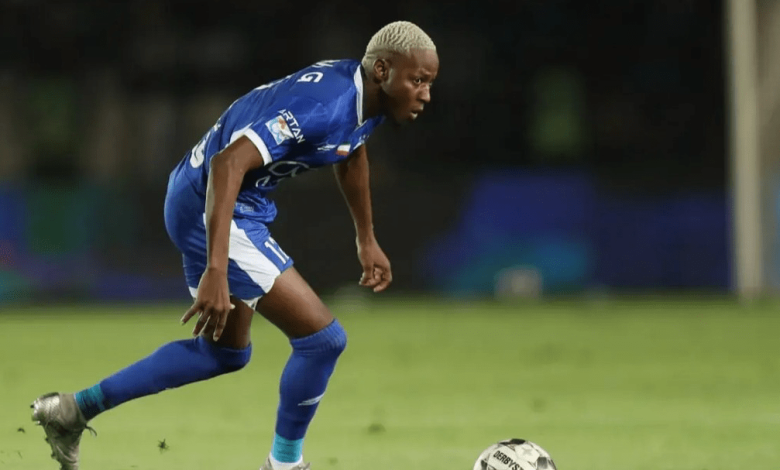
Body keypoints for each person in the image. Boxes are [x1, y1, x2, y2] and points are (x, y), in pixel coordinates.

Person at [31, 20, 439, 470]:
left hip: (212, 197)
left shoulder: (363, 99)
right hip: (209, 202)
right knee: (323, 341)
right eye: (418, 80)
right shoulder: (323, 105)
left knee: (224, 354)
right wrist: (217, 268)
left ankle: (73, 411)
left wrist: (366, 236)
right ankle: (285, 465)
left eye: (429, 83)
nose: (425, 94)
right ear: (382, 70)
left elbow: (351, 151)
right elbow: (227, 164)